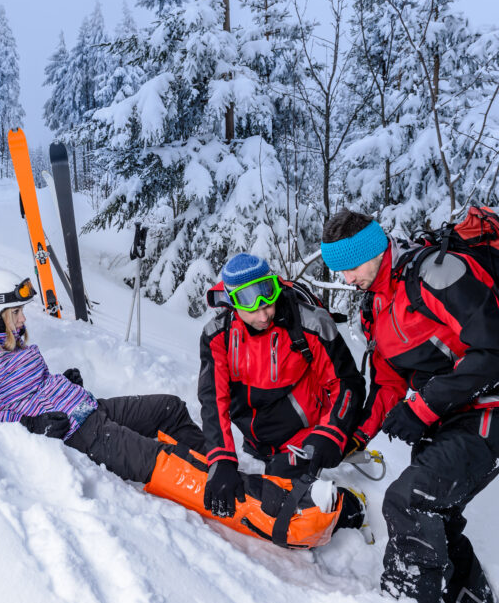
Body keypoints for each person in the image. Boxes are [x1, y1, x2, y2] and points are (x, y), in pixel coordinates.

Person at [321, 209, 499, 603]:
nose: (346, 279)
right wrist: (356, 438)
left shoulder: (435, 274)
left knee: (410, 501)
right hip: (441, 422)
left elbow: (491, 351)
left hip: (487, 411)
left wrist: (421, 409)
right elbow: (388, 382)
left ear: (376, 247)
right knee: (439, 521)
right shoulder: (375, 308)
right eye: (339, 269)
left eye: (350, 265)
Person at [0, 269, 206, 484]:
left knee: (170, 408)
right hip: (82, 434)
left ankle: (218, 464)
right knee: (168, 461)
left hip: (88, 408)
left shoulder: (10, 341)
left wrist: (63, 383)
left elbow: (29, 391)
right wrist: (31, 424)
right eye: (16, 312)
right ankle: (234, 493)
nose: (23, 318)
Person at [198, 253, 366, 519]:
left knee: (281, 500)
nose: (264, 314)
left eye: (269, 301)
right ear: (232, 303)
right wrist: (221, 459)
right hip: (256, 441)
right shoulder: (218, 336)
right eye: (252, 308)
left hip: (305, 437)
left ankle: (349, 505)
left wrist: (330, 433)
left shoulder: (310, 323)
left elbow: (346, 383)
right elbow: (213, 401)